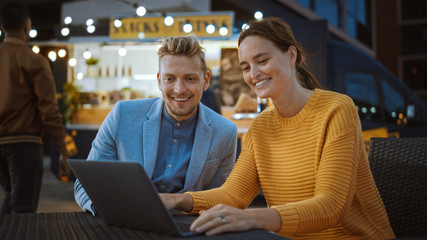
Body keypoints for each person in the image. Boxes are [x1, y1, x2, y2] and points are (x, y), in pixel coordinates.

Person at [160, 17, 395, 239]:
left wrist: (251, 218)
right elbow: (233, 195)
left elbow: (331, 206)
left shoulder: (336, 109)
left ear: (291, 55)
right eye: (245, 67)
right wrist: (175, 200)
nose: (253, 74)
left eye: (262, 61)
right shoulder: (261, 126)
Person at [74, 35, 238, 216]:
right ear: (159, 80)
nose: (179, 89)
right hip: (126, 222)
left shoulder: (225, 131)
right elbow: (85, 184)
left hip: (188, 228)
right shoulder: (122, 115)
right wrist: (108, 210)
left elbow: (222, 199)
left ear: (205, 80)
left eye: (190, 79)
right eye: (170, 79)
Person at [0, 1, 69, 214]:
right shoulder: (34, 61)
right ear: (27, 26)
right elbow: (49, 110)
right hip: (25, 143)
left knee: (11, 197)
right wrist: (64, 149)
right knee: (23, 208)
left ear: (3, 26)